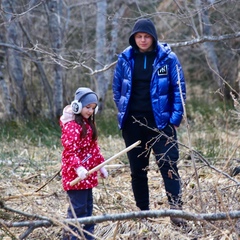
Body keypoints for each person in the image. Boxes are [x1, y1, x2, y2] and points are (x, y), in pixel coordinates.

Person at [112, 18, 187, 226]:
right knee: (138, 170)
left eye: (146, 37)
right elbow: (117, 90)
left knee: (169, 165)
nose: (143, 40)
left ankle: (176, 211)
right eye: (139, 37)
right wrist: (125, 113)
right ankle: (143, 213)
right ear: (133, 38)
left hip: (161, 124)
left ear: (153, 38)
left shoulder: (168, 59)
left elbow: (179, 90)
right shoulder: (125, 59)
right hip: (133, 124)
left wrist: (174, 120)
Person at [60, 87, 108, 239]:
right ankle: (71, 236)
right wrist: (78, 167)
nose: (90, 111)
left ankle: (87, 236)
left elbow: (94, 149)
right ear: (78, 106)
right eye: (87, 107)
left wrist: (101, 165)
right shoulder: (72, 127)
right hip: (75, 177)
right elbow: (69, 152)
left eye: (93, 108)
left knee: (87, 209)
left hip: (88, 177)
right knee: (78, 210)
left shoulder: (88, 125)